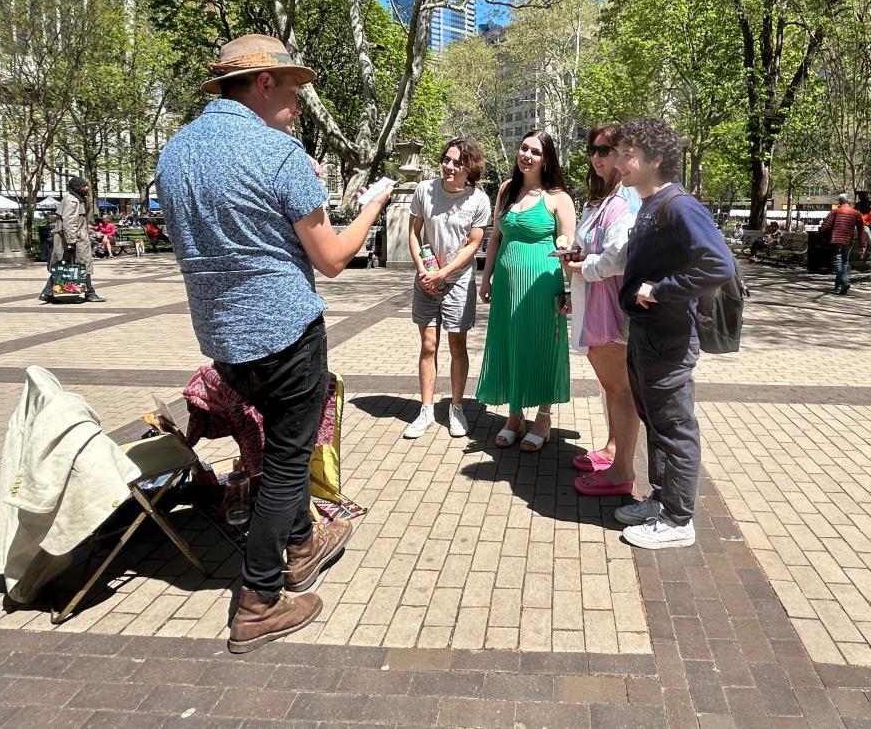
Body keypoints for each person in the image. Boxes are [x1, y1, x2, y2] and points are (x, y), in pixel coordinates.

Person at [155, 33, 392, 653]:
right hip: (286, 334)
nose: (298, 102)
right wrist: (372, 205)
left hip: (225, 339)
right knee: (287, 459)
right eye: (294, 89)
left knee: (273, 440)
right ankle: (260, 599)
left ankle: (301, 542)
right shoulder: (279, 154)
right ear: (263, 84)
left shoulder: (174, 154)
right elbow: (335, 258)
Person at [612, 118, 735, 549]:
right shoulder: (649, 203)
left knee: (674, 427)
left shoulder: (679, 206)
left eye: (628, 154)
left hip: (670, 338)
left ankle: (679, 521)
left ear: (656, 159)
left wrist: (661, 291)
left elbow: (719, 265)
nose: (619, 162)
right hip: (647, 334)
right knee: (655, 420)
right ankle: (662, 501)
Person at [476, 130, 575, 452]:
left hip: (541, 283)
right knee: (510, 343)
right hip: (505, 285)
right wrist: (486, 277)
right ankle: (514, 415)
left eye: (535, 151)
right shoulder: (506, 190)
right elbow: (494, 238)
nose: (526, 155)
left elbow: (568, 241)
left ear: (546, 159)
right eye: (523, 148)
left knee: (542, 344)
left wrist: (564, 246)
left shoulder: (558, 197)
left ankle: (543, 418)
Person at [562, 124, 640, 497]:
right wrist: (577, 258)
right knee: (612, 387)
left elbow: (615, 259)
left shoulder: (624, 200)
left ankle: (622, 471)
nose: (597, 156)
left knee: (620, 389)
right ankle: (613, 451)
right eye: (593, 149)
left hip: (611, 306)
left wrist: (579, 266)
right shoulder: (601, 201)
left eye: (605, 150)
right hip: (596, 302)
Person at [404, 137, 491, 440]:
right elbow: (413, 233)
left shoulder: (478, 200)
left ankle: (456, 407)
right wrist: (423, 271)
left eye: (457, 162)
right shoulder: (424, 191)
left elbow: (474, 244)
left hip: (458, 281)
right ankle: (426, 409)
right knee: (428, 345)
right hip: (426, 279)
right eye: (446, 159)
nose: (449, 166)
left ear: (470, 168)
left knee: (457, 346)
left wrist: (444, 273)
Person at [38, 176, 105, 303]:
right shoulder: (72, 201)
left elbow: (76, 222)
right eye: (84, 186)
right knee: (82, 266)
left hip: (75, 239)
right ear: (77, 188)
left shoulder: (76, 200)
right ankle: (90, 293)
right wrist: (71, 242)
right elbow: (69, 223)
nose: (86, 188)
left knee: (63, 267)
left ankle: (47, 293)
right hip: (75, 241)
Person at [820, 193, 867, 295]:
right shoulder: (856, 213)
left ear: (839, 202)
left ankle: (844, 282)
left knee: (837, 261)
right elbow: (861, 230)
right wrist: (862, 245)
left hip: (836, 240)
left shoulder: (834, 212)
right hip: (848, 240)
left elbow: (824, 227)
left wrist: (822, 239)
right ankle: (838, 284)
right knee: (844, 262)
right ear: (848, 202)